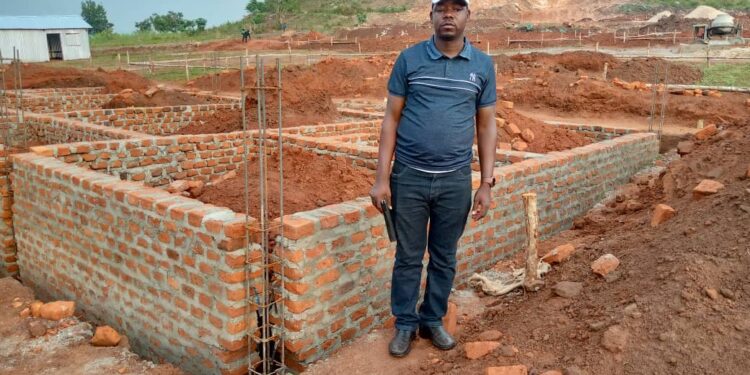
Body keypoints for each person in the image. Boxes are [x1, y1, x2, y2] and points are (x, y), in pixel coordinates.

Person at [369, 0, 497, 358]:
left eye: (457, 9)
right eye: (442, 8)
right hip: (408, 177)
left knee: (444, 255)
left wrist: (486, 183)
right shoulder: (409, 60)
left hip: (455, 180)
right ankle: (405, 324)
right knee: (408, 256)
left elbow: (486, 125)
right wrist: (382, 178)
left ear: (468, 16)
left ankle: (433, 319)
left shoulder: (483, 65)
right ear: (431, 16)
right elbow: (390, 120)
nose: (448, 15)